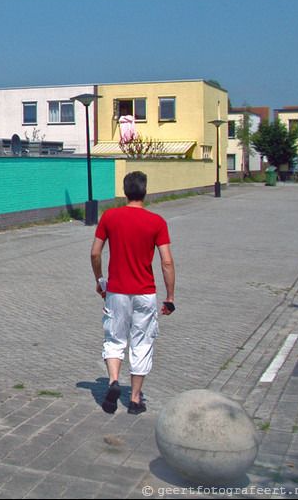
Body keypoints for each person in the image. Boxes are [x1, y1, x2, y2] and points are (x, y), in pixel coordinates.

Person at [90, 170, 176, 414]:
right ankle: (135, 400)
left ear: (125, 191)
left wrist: (100, 280)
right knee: (142, 342)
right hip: (145, 292)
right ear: (145, 191)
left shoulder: (109, 216)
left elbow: (95, 253)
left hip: (116, 292)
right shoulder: (157, 222)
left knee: (114, 339)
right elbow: (166, 262)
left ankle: (114, 381)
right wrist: (169, 297)